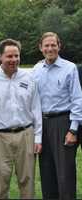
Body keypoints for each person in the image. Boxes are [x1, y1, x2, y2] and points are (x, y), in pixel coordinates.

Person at [0, 38, 42, 199]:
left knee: (27, 180)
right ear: (0, 57)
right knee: (1, 181)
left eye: (16, 56)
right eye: (9, 56)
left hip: (26, 134)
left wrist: (38, 137)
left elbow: (36, 108)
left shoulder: (29, 78)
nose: (13, 60)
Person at [32, 32, 82, 200]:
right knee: (46, 173)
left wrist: (73, 130)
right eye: (46, 45)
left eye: (53, 45)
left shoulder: (70, 68)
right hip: (43, 124)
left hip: (63, 123)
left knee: (65, 174)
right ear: (40, 48)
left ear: (59, 46)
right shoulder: (36, 69)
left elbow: (77, 100)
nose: (50, 48)